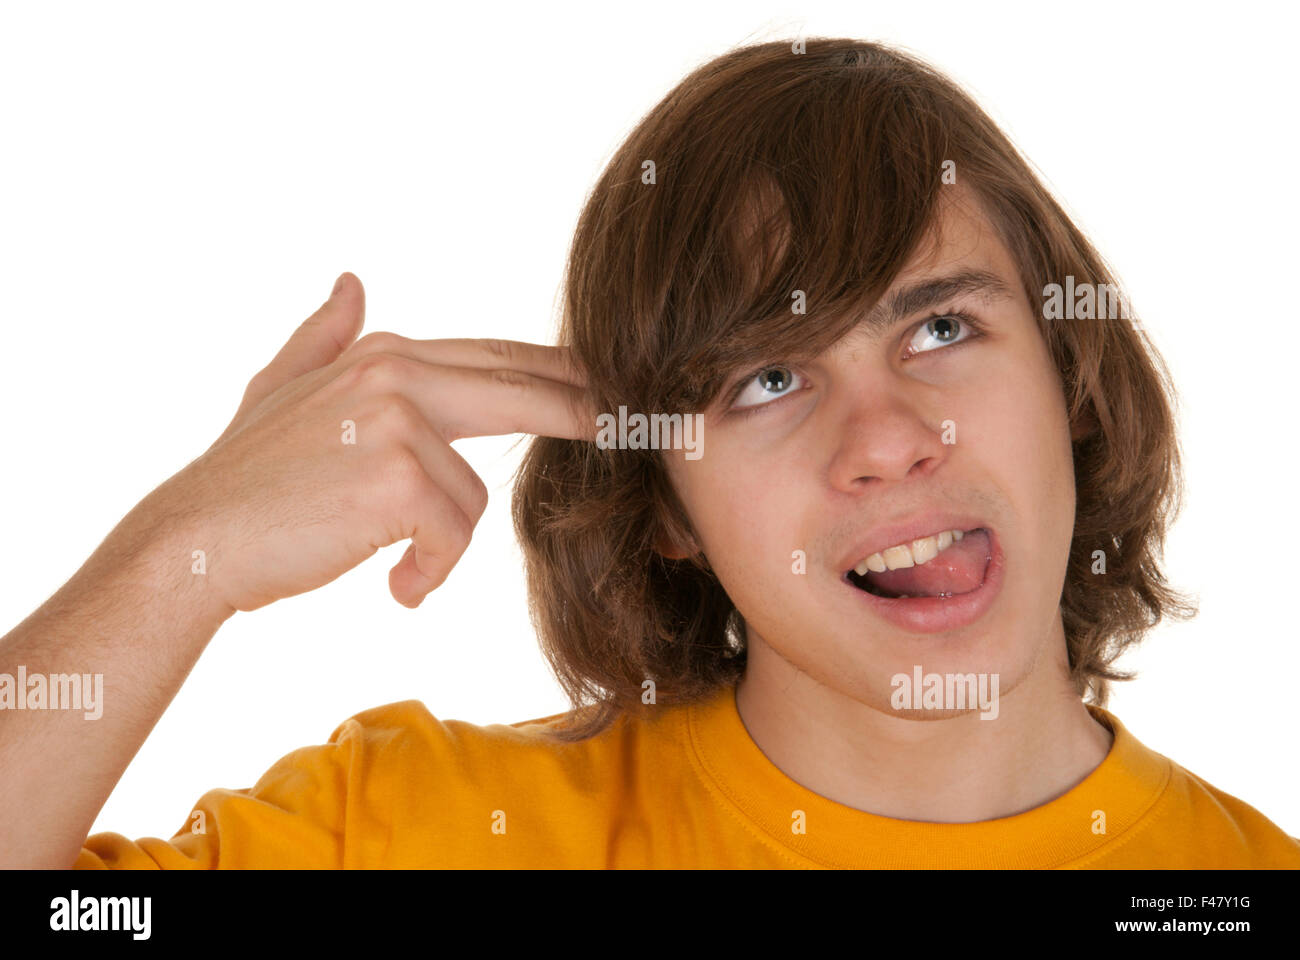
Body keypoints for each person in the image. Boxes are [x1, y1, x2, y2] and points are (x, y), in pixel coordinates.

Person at [3, 38, 1296, 869]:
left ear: (1069, 371)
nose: (891, 441)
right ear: (663, 505)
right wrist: (183, 553)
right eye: (769, 378)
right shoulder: (423, 836)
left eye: (942, 324)